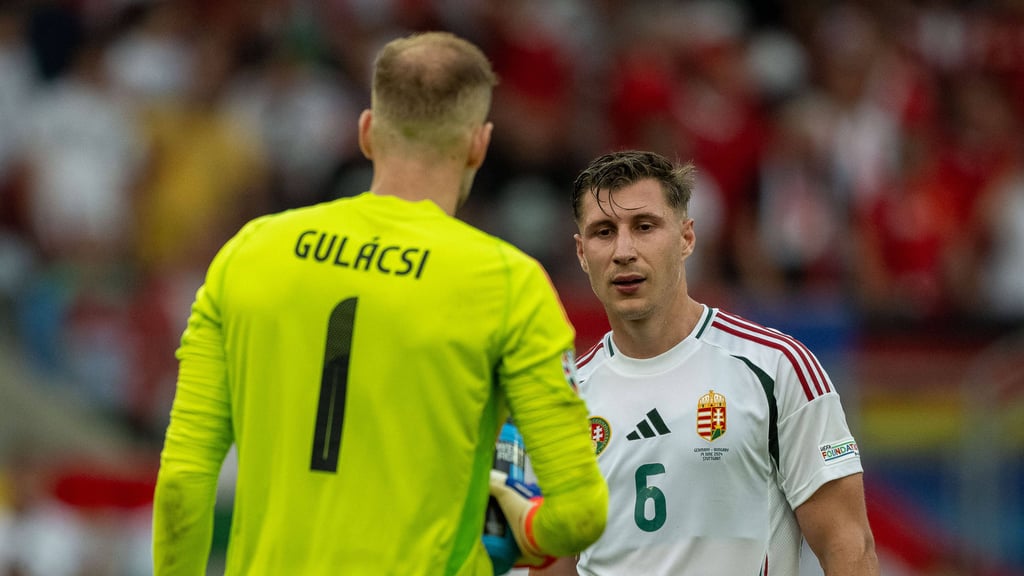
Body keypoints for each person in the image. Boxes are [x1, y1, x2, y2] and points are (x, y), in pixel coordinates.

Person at [152, 31, 607, 575]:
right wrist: (524, 532)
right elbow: (579, 514)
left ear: (367, 131)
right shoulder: (508, 284)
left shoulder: (248, 253)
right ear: (479, 144)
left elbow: (182, 480)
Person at [534, 150, 878, 575]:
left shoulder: (777, 368)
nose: (623, 251)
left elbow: (848, 544)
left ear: (686, 238)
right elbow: (552, 565)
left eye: (644, 227)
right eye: (604, 232)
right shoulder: (563, 401)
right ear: (582, 253)